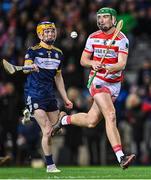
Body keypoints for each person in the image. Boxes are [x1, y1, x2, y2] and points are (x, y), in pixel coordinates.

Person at [52, 7, 135, 169]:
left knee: (91, 121)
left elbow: (122, 64)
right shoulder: (93, 37)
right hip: (98, 81)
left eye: (105, 17)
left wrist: (112, 67)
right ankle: (121, 157)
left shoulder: (122, 39)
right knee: (110, 115)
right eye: (100, 17)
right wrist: (93, 63)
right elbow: (83, 60)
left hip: (114, 84)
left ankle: (63, 119)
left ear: (113, 20)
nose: (102, 20)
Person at [22, 21, 73, 173]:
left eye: (52, 31)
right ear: (40, 34)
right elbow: (25, 69)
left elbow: (58, 77)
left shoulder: (59, 53)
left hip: (49, 95)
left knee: (57, 130)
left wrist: (65, 98)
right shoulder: (33, 51)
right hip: (34, 93)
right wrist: (30, 67)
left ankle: (29, 116)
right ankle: (50, 166)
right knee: (47, 130)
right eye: (47, 32)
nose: (51, 34)